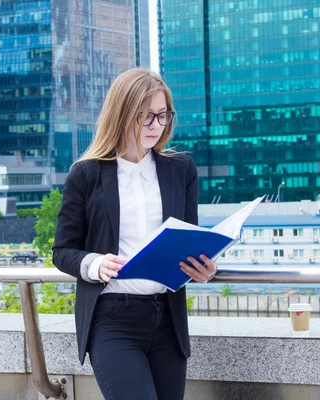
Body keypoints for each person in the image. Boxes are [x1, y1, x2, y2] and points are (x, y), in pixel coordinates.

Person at [52, 68, 217, 400]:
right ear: (123, 113)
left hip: (168, 318)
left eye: (163, 115)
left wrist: (205, 267)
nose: (157, 125)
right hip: (113, 319)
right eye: (146, 116)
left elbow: (188, 238)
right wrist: (94, 264)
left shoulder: (181, 169)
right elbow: (62, 250)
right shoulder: (86, 174)